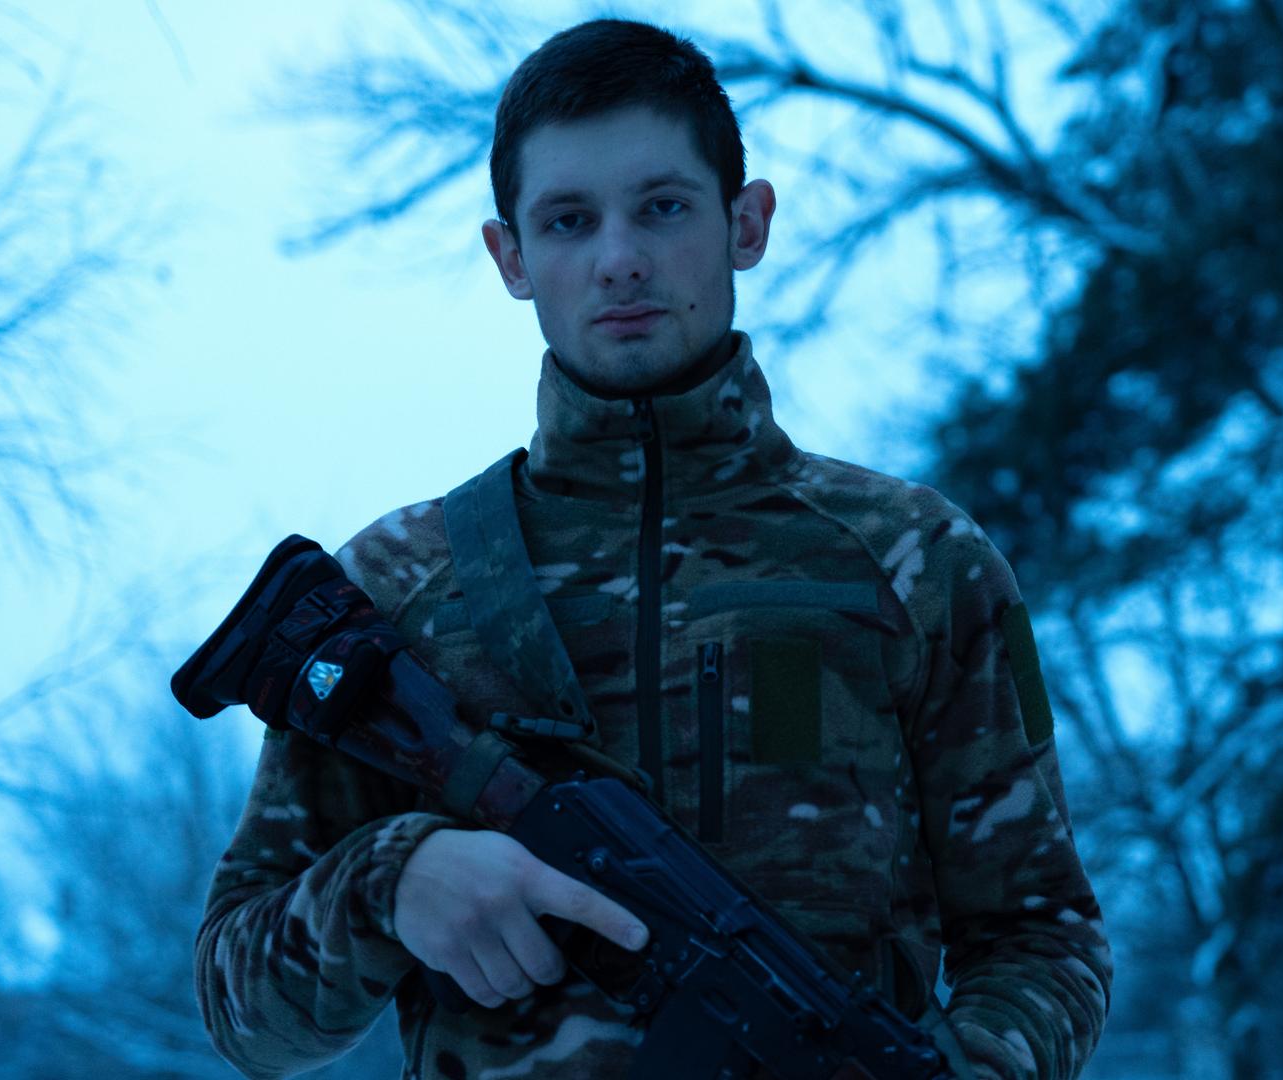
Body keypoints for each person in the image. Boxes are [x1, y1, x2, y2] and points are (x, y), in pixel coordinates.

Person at [194, 18, 1111, 1080]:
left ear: (746, 223)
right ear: (511, 256)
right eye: (569, 221)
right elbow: (240, 1010)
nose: (620, 260)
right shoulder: (399, 587)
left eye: (663, 208)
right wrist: (390, 883)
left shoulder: (920, 564)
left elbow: (1045, 940)